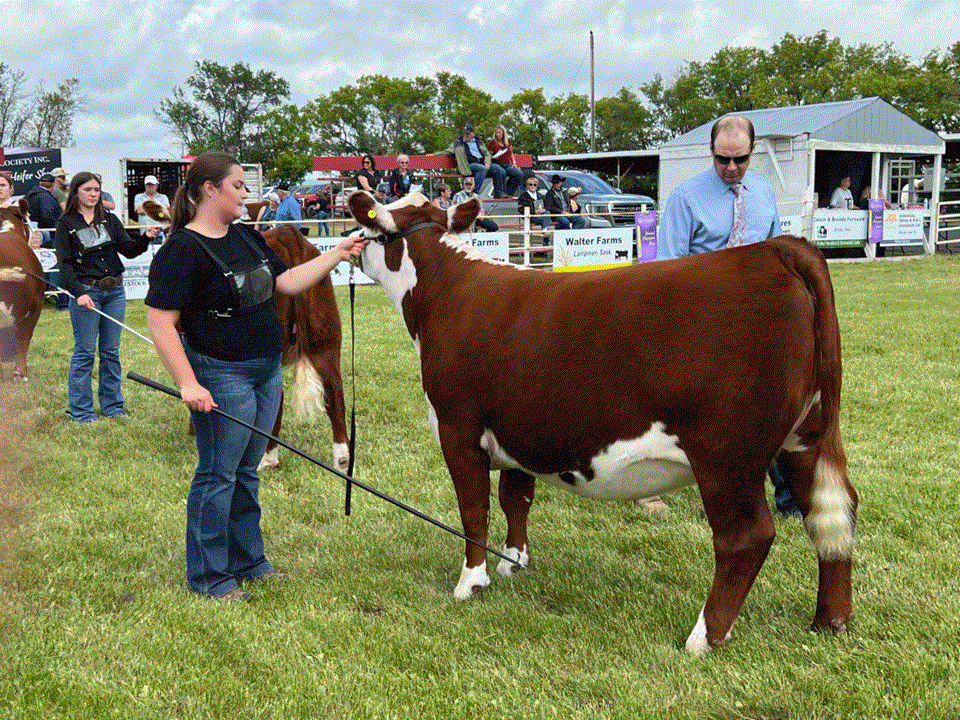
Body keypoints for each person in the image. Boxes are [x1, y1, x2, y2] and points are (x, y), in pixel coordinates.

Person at [145, 151, 367, 602]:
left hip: (266, 372)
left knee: (246, 471)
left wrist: (336, 254)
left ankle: (250, 562)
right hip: (220, 373)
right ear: (210, 189)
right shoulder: (181, 250)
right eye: (239, 186)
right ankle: (210, 576)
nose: (247, 195)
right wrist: (188, 381)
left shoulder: (245, 238)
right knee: (217, 475)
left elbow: (285, 283)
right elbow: (159, 322)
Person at [656, 114, 797, 516]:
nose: (732, 168)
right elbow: (668, 268)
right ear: (711, 152)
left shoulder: (765, 193)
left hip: (757, 319)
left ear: (753, 152)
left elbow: (774, 254)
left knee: (773, 404)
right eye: (723, 160)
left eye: (741, 159)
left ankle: (787, 498)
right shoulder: (686, 197)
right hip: (704, 321)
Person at [54, 172, 159, 423]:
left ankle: (113, 407)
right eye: (88, 189)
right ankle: (81, 411)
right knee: (85, 352)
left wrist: (145, 238)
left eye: (97, 190)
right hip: (86, 292)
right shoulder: (66, 223)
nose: (93, 194)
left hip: (115, 293)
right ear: (76, 192)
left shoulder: (110, 220)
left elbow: (129, 251)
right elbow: (65, 265)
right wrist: (78, 294)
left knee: (111, 352)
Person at [25, 173, 67, 308]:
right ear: (53, 184)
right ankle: (53, 291)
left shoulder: (29, 195)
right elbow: (46, 215)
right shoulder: (45, 197)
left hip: (33, 233)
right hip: (46, 234)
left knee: (47, 263)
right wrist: (57, 230)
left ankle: (50, 291)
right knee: (55, 261)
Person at [448, 123, 508, 199]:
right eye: (465, 133)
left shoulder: (478, 141)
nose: (466, 135)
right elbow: (447, 151)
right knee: (482, 168)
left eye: (468, 133)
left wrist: (487, 162)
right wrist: (434, 155)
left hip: (482, 164)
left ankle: (498, 193)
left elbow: (487, 153)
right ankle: (473, 193)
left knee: (498, 169)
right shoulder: (458, 142)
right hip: (469, 165)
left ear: (473, 133)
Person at [487, 124, 526, 197]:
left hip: (507, 164)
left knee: (519, 174)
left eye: (499, 133)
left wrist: (514, 162)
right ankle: (499, 193)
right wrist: (493, 157)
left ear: (503, 133)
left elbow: (511, 153)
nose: (498, 134)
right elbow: (488, 155)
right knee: (502, 172)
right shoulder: (492, 142)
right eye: (496, 133)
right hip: (497, 164)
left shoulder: (507, 141)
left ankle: (508, 192)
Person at [134, 175, 171, 243]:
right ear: (145, 186)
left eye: (152, 184)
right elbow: (139, 210)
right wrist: (159, 208)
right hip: (145, 233)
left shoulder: (163, 197)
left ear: (156, 185)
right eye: (148, 185)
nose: (150, 187)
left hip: (160, 232)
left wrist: (146, 207)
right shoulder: (139, 197)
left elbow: (166, 211)